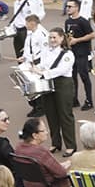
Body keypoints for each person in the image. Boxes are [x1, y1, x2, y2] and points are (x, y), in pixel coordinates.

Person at [35, 28, 77, 157]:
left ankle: (70, 146)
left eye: (55, 37)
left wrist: (44, 73)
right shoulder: (46, 51)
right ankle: (55, 143)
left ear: (61, 38)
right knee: (51, 114)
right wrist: (35, 68)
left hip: (63, 84)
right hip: (48, 83)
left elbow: (61, 70)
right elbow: (43, 64)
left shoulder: (67, 54)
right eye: (51, 38)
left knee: (65, 115)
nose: (52, 40)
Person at [14, 117, 71, 187]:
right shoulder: (41, 152)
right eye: (43, 130)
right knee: (76, 178)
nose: (47, 132)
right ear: (35, 135)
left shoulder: (18, 148)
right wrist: (68, 164)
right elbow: (61, 174)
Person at [64, 0, 95, 112]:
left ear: (77, 8)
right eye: (67, 6)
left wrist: (77, 40)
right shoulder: (67, 21)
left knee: (84, 76)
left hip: (82, 53)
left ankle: (89, 100)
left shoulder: (83, 21)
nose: (68, 8)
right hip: (72, 53)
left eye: (70, 6)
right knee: (72, 77)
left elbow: (92, 35)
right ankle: (74, 99)